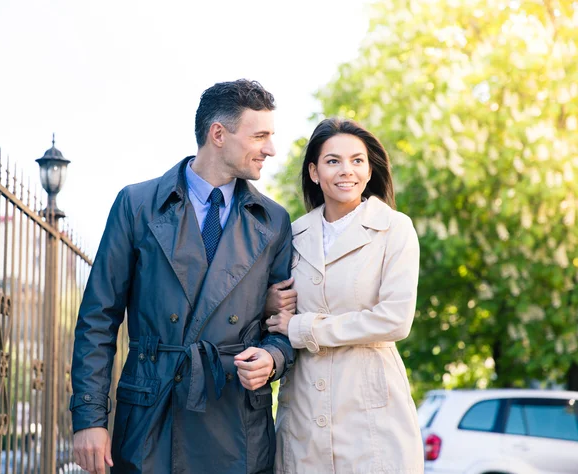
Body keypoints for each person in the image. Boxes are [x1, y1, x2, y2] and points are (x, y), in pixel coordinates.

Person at [70, 79, 295, 474]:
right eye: (260, 135)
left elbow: (283, 324)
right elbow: (98, 319)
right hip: (151, 415)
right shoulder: (137, 204)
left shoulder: (273, 221)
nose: (271, 149)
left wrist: (272, 357)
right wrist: (89, 418)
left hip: (236, 419)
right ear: (219, 134)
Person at [266, 118, 424, 473]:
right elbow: (274, 308)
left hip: (371, 415)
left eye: (357, 160)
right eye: (333, 161)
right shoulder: (292, 236)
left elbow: (395, 319)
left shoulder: (395, 229)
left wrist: (304, 328)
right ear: (313, 171)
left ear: (370, 171)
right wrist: (270, 305)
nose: (346, 171)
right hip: (304, 412)